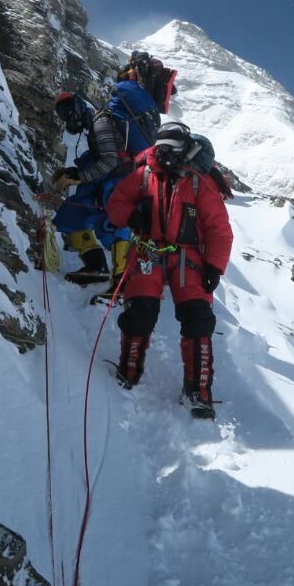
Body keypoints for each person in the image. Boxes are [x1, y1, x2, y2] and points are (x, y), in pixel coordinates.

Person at [104, 120, 234, 419]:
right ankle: (129, 370)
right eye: (162, 150)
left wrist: (214, 266)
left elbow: (218, 228)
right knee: (140, 310)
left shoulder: (198, 181)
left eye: (171, 151)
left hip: (187, 255)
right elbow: (118, 201)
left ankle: (198, 390)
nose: (165, 157)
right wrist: (131, 217)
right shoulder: (144, 174)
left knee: (198, 319)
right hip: (149, 247)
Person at [49, 91, 133, 285]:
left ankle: (122, 281)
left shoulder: (100, 123)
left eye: (68, 111)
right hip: (108, 183)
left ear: (78, 107)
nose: (67, 117)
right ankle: (96, 266)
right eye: (62, 114)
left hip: (117, 184)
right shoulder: (96, 126)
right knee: (72, 214)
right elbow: (102, 158)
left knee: (113, 223)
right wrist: (75, 172)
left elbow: (110, 160)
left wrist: (80, 176)